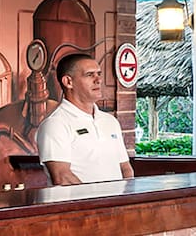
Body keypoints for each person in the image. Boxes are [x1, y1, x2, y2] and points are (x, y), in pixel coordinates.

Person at [36, 52, 132, 185]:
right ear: (68, 82)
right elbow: (62, 177)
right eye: (89, 74)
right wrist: (97, 203)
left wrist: (124, 201)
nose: (98, 80)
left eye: (99, 74)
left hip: (113, 204)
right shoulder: (55, 124)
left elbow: (125, 169)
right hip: (80, 205)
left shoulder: (111, 122)